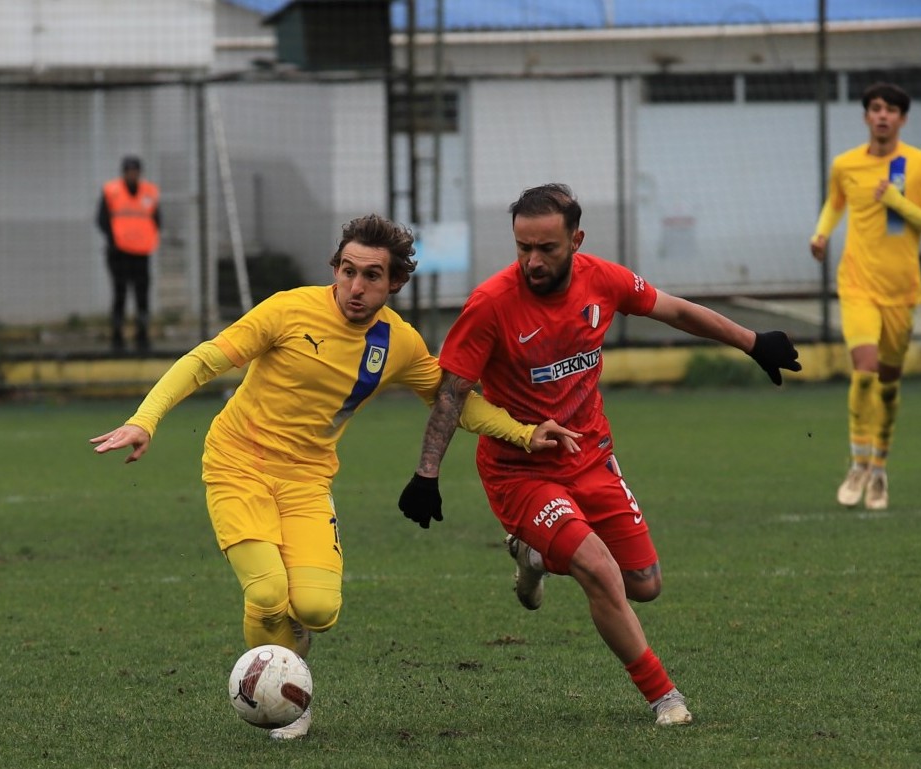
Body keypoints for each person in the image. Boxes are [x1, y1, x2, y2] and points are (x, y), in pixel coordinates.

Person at [91, 214, 577, 741]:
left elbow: (454, 402)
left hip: (305, 479)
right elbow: (204, 360)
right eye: (348, 271)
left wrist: (526, 434)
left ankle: (288, 665)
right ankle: (287, 699)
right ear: (335, 269)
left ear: (394, 284)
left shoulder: (399, 343)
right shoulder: (287, 310)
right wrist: (145, 419)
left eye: (372, 276)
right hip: (237, 464)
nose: (356, 287)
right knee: (270, 593)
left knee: (317, 609)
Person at [396, 183, 801, 727]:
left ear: (576, 239)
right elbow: (452, 391)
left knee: (645, 584)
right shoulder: (491, 304)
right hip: (520, 470)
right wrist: (427, 473)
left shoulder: (602, 280)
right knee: (599, 570)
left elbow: (674, 310)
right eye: (523, 248)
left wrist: (753, 342)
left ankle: (534, 557)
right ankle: (665, 698)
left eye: (547, 249)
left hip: (591, 457)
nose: (533, 262)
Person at [809, 82, 921, 511]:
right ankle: (857, 463)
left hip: (901, 292)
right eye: (875, 108)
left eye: (891, 109)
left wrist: (896, 201)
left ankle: (880, 470)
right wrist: (821, 233)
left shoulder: (919, 165)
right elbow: (836, 202)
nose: (882, 115)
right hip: (856, 285)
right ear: (867, 116)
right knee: (864, 371)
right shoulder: (846, 164)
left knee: (888, 387)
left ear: (903, 119)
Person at [96, 155, 161, 354]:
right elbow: (102, 220)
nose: (132, 174)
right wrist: (116, 240)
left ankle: (142, 337)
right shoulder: (111, 192)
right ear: (124, 172)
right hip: (119, 254)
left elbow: (156, 220)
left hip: (141, 253)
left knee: (142, 296)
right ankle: (118, 338)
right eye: (129, 171)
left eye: (135, 171)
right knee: (120, 295)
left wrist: (142, 239)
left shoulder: (149, 192)